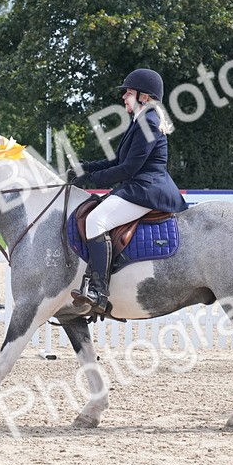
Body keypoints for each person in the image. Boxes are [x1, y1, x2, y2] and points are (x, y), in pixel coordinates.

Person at [70, 68, 188, 316]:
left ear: (144, 96)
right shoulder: (141, 120)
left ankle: (98, 292)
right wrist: (85, 167)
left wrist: (92, 178)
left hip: (146, 189)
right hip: (139, 186)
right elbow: (118, 160)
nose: (124, 96)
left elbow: (129, 167)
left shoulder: (149, 122)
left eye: (129, 92)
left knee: (96, 219)